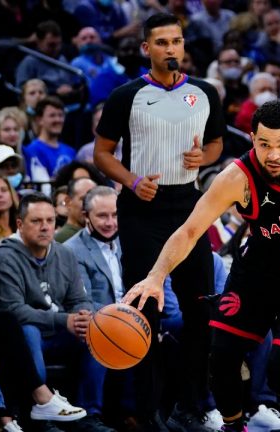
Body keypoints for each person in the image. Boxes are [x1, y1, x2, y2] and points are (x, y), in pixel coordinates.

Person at [121, 100, 280, 432]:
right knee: (221, 354)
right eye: (264, 144)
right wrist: (156, 276)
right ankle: (233, 425)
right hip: (259, 273)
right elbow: (189, 230)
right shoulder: (236, 178)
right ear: (252, 138)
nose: (273, 155)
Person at [93, 13, 226, 430]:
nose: (171, 49)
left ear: (184, 46)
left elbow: (217, 143)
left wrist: (202, 158)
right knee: (144, 312)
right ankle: (147, 412)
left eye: (177, 41)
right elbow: (102, 154)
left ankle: (192, 405)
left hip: (189, 207)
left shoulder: (205, 93)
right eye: (162, 42)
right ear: (146, 49)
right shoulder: (125, 96)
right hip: (142, 212)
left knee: (202, 311)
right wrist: (131, 181)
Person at [0, 199, 86, 432]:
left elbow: (79, 297)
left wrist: (85, 315)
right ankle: (35, 401)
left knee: (0, 329)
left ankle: (9, 415)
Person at [0, 193, 113, 431]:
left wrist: (84, 315)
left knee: (96, 332)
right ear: (20, 224)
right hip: (20, 340)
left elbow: (79, 298)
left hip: (56, 333)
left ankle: (89, 416)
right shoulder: (5, 258)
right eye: (36, 221)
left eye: (50, 220)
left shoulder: (64, 254)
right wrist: (64, 320)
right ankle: (40, 417)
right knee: (29, 332)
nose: (45, 227)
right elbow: (11, 311)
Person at [54, 178, 97, 243]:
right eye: (84, 199)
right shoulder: (60, 240)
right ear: (68, 202)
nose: (90, 205)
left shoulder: (102, 235)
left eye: (94, 199)